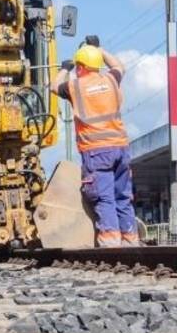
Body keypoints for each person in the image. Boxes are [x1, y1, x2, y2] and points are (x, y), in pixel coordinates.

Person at [51, 36, 136, 247]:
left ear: (80, 67)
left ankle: (110, 240)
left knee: (103, 197)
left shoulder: (76, 86)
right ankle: (130, 239)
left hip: (96, 152)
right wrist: (99, 49)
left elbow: (54, 86)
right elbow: (118, 66)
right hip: (121, 148)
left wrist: (64, 68)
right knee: (123, 196)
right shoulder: (110, 80)